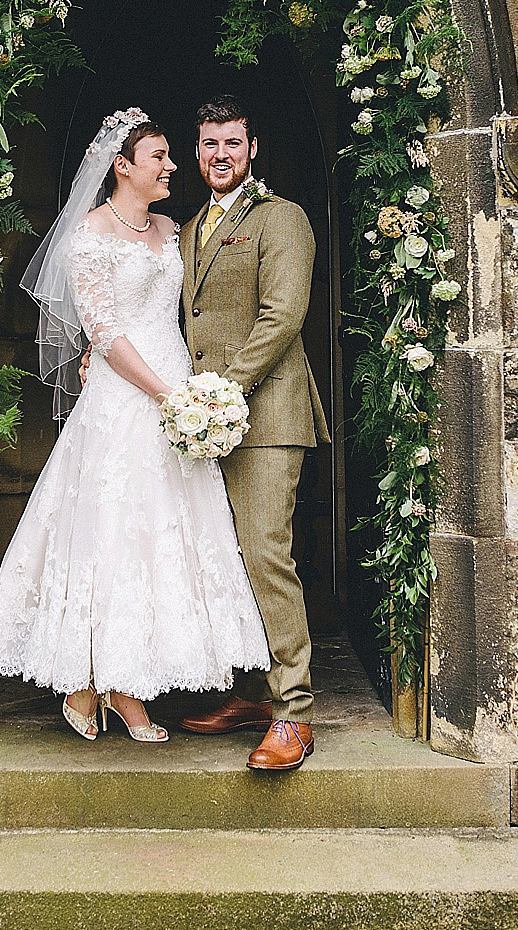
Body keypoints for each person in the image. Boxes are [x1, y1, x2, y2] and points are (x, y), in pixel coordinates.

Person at [0, 107, 269, 743]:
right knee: (111, 537)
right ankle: (109, 690)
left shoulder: (170, 230)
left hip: (177, 386)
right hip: (128, 396)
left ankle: (114, 682)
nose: (172, 166)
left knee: (163, 538)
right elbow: (103, 331)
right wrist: (167, 395)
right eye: (159, 157)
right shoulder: (87, 237)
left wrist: (188, 394)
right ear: (121, 166)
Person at [177, 94, 330, 771]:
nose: (219, 156)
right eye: (209, 144)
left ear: (253, 149)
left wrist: (220, 392)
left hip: (266, 415)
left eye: (232, 144)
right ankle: (248, 692)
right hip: (206, 424)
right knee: (222, 557)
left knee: (266, 554)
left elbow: (283, 315)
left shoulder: (281, 218)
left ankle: (294, 713)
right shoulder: (186, 229)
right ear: (196, 149)